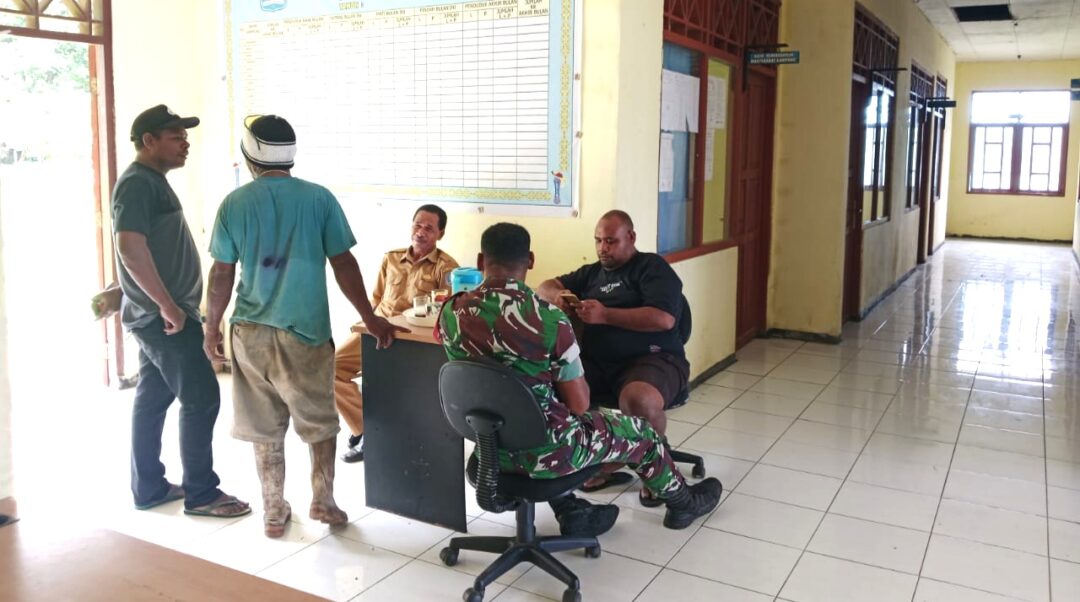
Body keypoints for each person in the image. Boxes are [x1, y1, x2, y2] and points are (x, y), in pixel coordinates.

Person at [436, 223, 722, 530]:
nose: (603, 247)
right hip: (550, 454)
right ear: (530, 260)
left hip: (490, 449)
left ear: (481, 261)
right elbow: (579, 404)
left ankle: (571, 511)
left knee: (549, 416)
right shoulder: (549, 320)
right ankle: (684, 505)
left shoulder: (451, 312)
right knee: (643, 434)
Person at [203, 114, 404, 537]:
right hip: (306, 334)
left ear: (250, 156)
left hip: (249, 332)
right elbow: (343, 263)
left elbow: (221, 273)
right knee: (319, 422)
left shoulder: (234, 204)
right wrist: (370, 318)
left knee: (264, 428)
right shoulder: (319, 199)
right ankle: (323, 499)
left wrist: (211, 328)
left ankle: (273, 509)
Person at [111, 104, 250, 518]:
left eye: (185, 136)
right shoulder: (138, 184)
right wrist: (167, 305)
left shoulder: (150, 181)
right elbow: (129, 247)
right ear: (148, 140)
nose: (185, 143)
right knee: (202, 397)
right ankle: (202, 494)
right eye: (175, 137)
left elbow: (144, 248)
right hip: (165, 319)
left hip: (159, 314)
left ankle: (149, 487)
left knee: (153, 399)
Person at [537, 210, 690, 495]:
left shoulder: (651, 268)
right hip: (598, 362)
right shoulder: (591, 273)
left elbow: (664, 318)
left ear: (630, 237)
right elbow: (544, 287)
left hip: (654, 359)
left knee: (638, 399)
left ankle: (655, 472)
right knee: (553, 384)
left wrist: (605, 315)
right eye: (598, 241)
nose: (602, 248)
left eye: (610, 241)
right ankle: (595, 461)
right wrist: (557, 296)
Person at [334, 204, 459, 463]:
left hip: (408, 340)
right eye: (417, 225)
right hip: (376, 329)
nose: (421, 232)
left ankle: (372, 435)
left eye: (429, 228)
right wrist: (364, 322)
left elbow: (444, 313)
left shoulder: (446, 268)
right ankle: (365, 429)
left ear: (440, 234)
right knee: (329, 369)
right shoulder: (391, 258)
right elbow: (376, 298)